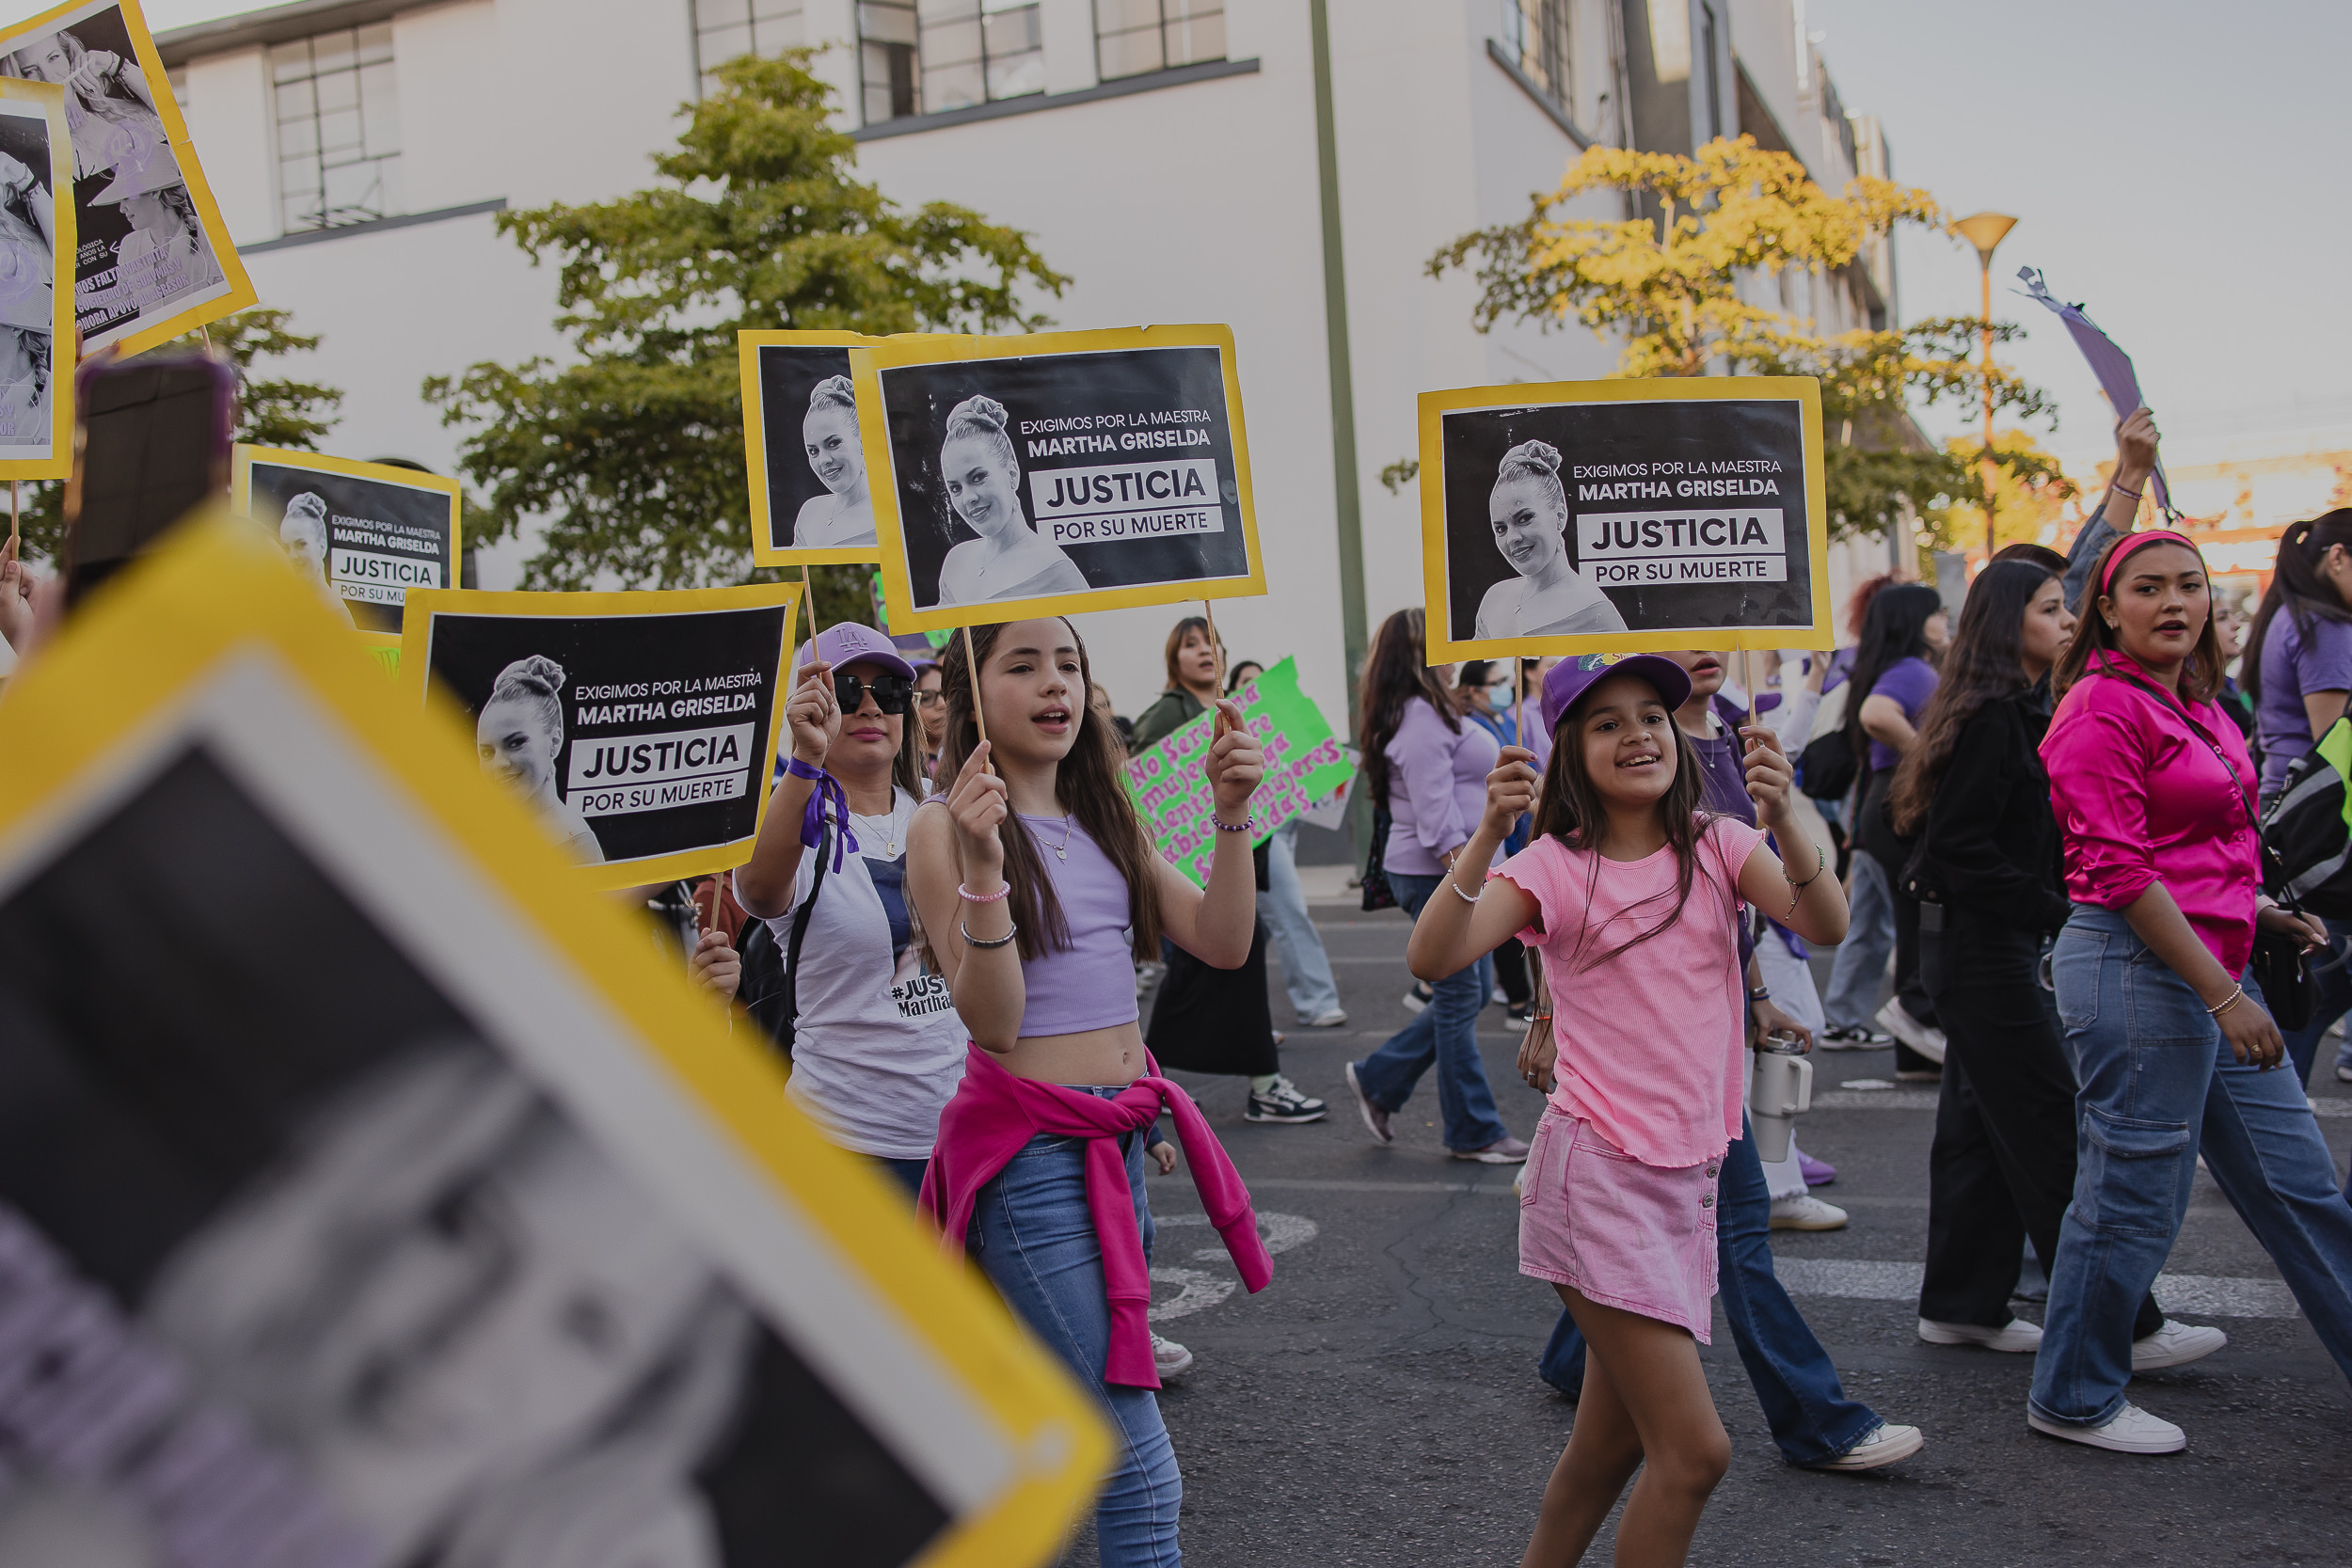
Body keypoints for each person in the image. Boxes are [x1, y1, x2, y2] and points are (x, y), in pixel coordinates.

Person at [1408, 652, 1874, 1567]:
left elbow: (1825, 922)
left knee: (1609, 1445)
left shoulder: (1721, 842)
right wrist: (1489, 829)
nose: (1637, 735)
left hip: (1687, 1180)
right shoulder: (1551, 865)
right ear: (1570, 750)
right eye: (1607, 722)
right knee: (1694, 1453)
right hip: (1599, 1177)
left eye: (1651, 717)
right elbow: (1434, 956)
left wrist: (1786, 814)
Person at [910, 617, 1274, 1564]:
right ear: (970, 688)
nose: (1055, 683)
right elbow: (993, 1021)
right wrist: (985, 868)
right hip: (1031, 1164)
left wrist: (1232, 812)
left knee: (1109, 1444)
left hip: (1119, 1149)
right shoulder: (943, 827)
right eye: (1023, 664)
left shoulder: (1107, 813)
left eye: (1068, 664)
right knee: (1139, 1466)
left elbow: (1223, 939)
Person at [2031, 528, 2352, 1454]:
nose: (2173, 602)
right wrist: (2222, 993)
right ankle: (2072, 1394)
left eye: (2189, 584)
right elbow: (2120, 869)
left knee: (2301, 1186)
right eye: (2147, 588)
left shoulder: (2197, 700)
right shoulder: (2097, 705)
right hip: (2140, 972)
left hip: (2215, 964)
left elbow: (2201, 843)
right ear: (2106, 607)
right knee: (2132, 1198)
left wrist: (2260, 910)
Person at [1889, 560, 2223, 1369]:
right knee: (2049, 1127)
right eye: (2050, 609)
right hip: (1979, 951)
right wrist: (2060, 910)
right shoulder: (1993, 717)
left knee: (1977, 1134)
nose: (2069, 621)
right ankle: (2125, 1325)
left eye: (2067, 607)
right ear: (2009, 623)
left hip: (1988, 945)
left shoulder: (2021, 709)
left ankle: (1961, 1305)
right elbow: (1955, 848)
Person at [735, 622, 965, 1195]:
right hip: (844, 1149)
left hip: (966, 1140)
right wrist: (806, 762)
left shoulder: (943, 815)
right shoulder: (796, 819)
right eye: (845, 691)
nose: (870, 706)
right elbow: (759, 891)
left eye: (889, 692)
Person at [1343, 608, 1525, 1164]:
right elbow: (1434, 816)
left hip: (1446, 870)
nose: (1454, 651)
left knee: (1466, 995)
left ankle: (1379, 1079)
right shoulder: (1420, 717)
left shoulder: (1429, 710)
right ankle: (1472, 1129)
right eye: (1443, 642)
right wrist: (1468, 879)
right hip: (1435, 873)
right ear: (1419, 654)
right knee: (1460, 996)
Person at [1131, 616, 1331, 1117]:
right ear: (1174, 659)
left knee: (1208, 969)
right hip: (1187, 869)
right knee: (1230, 955)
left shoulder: (1240, 708)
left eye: (1211, 641)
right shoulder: (1166, 714)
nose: (1205, 650)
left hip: (1233, 854)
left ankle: (1154, 1080)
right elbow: (1140, 791)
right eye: (1191, 644)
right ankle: (1262, 1084)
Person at [2243, 508, 2352, 1086]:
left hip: (2285, 810)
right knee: (2323, 975)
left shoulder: (2288, 613)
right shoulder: (2325, 625)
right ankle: (2270, 1107)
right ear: (2337, 558)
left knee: (2320, 975)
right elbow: (2337, 744)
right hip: (2322, 822)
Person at [1818, 583, 1947, 1059]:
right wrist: (1927, 759)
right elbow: (1877, 714)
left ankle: (1909, 1039)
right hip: (1898, 805)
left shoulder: (1892, 667)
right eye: (1937, 612)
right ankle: (1914, 1016)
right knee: (1919, 919)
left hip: (1884, 807)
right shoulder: (1912, 670)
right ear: (1914, 621)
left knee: (1893, 921)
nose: (1945, 620)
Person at [931, 395, 1087, 608]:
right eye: (955, 488)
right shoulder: (956, 561)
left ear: (1012, 474)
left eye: (978, 477)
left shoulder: (1057, 572)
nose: (968, 499)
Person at [1470, 439, 1628, 640]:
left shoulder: (1595, 609)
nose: (1512, 538)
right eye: (1501, 528)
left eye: (1525, 518)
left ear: (1560, 516)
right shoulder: (1494, 599)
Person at [474, 654, 605, 863]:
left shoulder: (574, 848)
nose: (499, 764)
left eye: (515, 743)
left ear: (555, 742)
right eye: (487, 753)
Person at [6, 28, 164, 182]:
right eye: (31, 71)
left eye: (53, 58)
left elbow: (167, 110)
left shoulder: (114, 111)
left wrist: (114, 64)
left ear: (70, 57)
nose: (48, 77)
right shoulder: (52, 157)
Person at [790, 374, 877, 548]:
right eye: (813, 451)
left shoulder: (892, 515)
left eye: (833, 443)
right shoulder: (810, 512)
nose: (823, 460)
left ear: (863, 441)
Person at [911, 657, 947, 774]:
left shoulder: (962, 756)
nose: (942, 704)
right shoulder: (905, 769)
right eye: (927, 698)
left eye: (945, 694)